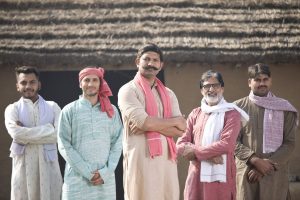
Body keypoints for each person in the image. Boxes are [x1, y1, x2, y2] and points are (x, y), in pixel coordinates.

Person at [118, 43, 186, 200]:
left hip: (166, 161)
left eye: (155, 60)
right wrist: (175, 120)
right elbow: (145, 123)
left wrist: (150, 124)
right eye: (146, 59)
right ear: (137, 62)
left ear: (161, 65)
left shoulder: (169, 94)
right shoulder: (128, 90)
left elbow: (181, 130)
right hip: (141, 159)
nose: (150, 63)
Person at [176, 70, 249, 200]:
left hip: (221, 177)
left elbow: (227, 144)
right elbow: (180, 144)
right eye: (206, 86)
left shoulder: (232, 114)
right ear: (201, 90)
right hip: (196, 175)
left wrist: (196, 152)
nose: (211, 89)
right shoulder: (195, 113)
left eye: (215, 85)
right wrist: (208, 157)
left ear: (222, 88)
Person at [234, 63, 298, 200]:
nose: (262, 83)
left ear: (270, 81)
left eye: (265, 79)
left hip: (274, 175)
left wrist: (266, 165)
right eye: (257, 80)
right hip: (247, 174)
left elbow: (289, 143)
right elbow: (232, 141)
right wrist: (255, 160)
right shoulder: (237, 108)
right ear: (249, 82)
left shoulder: (284, 108)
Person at [57, 67, 123, 200]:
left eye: (95, 80)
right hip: (77, 180)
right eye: (86, 80)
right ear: (80, 83)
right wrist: (88, 173)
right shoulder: (69, 110)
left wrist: (106, 172)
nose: (91, 84)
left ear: (100, 83)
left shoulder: (112, 111)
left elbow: (118, 142)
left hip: (105, 179)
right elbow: (63, 144)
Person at [4, 66, 62, 200]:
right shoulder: (12, 109)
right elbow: (16, 135)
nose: (28, 86)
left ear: (39, 85)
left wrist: (25, 133)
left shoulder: (52, 107)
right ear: (17, 86)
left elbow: (58, 135)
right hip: (23, 167)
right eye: (23, 82)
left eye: (32, 82)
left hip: (49, 167)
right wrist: (49, 129)